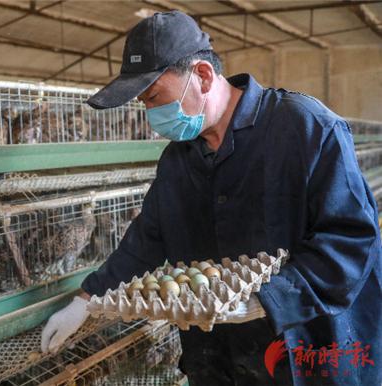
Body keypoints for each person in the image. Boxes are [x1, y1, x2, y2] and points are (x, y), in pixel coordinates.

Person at [40, 10, 381, 386]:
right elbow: (147, 240)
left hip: (307, 352)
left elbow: (352, 241)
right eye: (144, 103)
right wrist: (86, 300)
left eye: (154, 97)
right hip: (223, 361)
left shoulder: (306, 128)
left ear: (202, 76)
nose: (152, 114)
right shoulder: (178, 159)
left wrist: (270, 298)